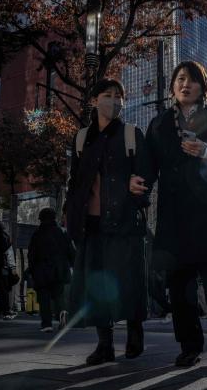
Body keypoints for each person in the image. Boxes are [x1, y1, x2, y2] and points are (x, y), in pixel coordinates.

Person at [130, 61, 207, 367]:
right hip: (175, 211)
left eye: (193, 80)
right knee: (179, 284)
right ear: (172, 87)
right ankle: (189, 345)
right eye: (180, 79)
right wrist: (138, 181)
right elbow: (147, 164)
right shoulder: (159, 124)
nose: (186, 85)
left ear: (202, 88)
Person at [65, 78, 151, 365]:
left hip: (125, 222)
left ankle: (135, 334)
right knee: (98, 285)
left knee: (129, 281)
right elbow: (74, 182)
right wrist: (71, 214)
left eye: (118, 96)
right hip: (91, 224)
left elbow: (146, 175)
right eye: (107, 95)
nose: (114, 101)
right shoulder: (80, 138)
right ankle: (105, 345)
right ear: (94, 101)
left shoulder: (130, 134)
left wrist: (138, 188)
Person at [28, 208, 76, 332]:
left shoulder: (37, 234)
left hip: (42, 270)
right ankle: (62, 315)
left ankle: (47, 324)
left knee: (44, 298)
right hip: (59, 270)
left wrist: (32, 270)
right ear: (55, 218)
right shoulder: (63, 232)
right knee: (59, 296)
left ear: (41, 219)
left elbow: (32, 254)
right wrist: (72, 265)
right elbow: (71, 252)